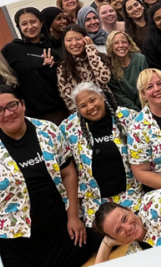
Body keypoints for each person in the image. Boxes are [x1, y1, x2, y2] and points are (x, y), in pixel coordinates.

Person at [0, 85, 100, 267]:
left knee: (80, 264)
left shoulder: (48, 131)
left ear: (23, 105)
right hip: (15, 242)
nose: (8, 113)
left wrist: (73, 216)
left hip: (59, 229)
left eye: (12, 105)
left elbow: (68, 171)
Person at [59, 82, 141, 225]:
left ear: (102, 96)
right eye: (83, 105)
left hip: (132, 196)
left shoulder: (127, 117)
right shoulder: (68, 129)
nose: (90, 107)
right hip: (95, 205)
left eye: (92, 100)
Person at [2, 7, 69, 124]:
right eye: (24, 24)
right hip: (29, 116)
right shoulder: (11, 50)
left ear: (41, 23)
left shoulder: (51, 50)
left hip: (59, 112)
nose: (30, 27)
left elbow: (62, 83)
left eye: (33, 22)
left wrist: (51, 69)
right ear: (19, 27)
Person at [57, 24, 112, 113]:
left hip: (107, 108)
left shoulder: (99, 57)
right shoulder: (63, 68)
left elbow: (104, 78)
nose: (74, 43)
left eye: (78, 39)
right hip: (84, 114)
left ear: (86, 39)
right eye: (69, 40)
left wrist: (91, 50)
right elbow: (68, 99)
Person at [106, 31, 147, 111]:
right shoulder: (109, 68)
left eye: (124, 42)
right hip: (128, 109)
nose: (121, 45)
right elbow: (120, 96)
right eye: (116, 43)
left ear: (129, 45)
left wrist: (144, 107)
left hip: (146, 102)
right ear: (111, 47)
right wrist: (136, 111)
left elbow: (146, 84)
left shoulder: (140, 59)